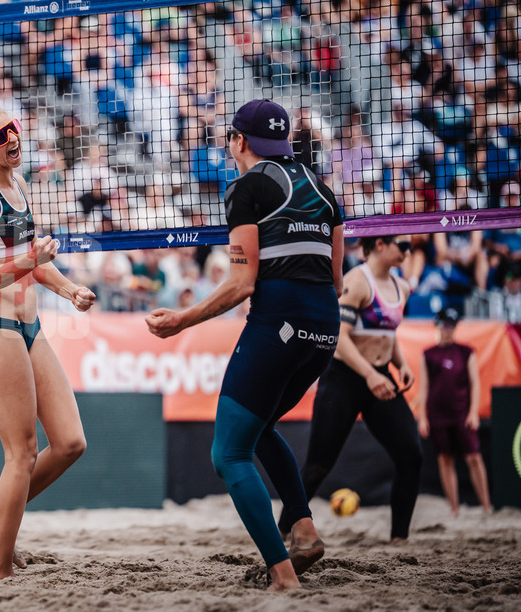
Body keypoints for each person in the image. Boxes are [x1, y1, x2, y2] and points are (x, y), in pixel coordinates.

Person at [147, 99, 344, 591]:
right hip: (325, 328)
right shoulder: (323, 188)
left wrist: (182, 320)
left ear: (239, 141)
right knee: (261, 426)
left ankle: (282, 577)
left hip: (279, 321)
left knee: (228, 454)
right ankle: (303, 528)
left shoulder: (247, 185)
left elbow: (241, 283)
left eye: (230, 140)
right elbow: (336, 280)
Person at [0, 105, 96, 580]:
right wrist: (30, 257)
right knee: (22, 454)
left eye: (14, 129)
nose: (13, 139)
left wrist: (69, 288)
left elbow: (30, 261)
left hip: (30, 327)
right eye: (1, 137)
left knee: (71, 442)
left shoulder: (19, 184)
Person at [278, 235, 422, 543]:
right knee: (318, 465)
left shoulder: (401, 285)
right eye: (403, 244)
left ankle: (399, 538)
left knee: (411, 455)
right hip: (344, 378)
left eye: (410, 245)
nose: (408, 251)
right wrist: (371, 375)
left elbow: (388, 332)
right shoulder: (357, 281)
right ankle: (282, 530)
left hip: (380, 376)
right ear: (380, 244)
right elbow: (339, 339)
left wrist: (401, 364)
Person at [416, 307, 493, 516]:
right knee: (445, 459)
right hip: (438, 415)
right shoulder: (428, 354)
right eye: (445, 324)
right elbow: (424, 387)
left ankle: (486, 506)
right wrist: (423, 417)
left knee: (474, 458)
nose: (448, 329)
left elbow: (475, 384)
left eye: (452, 325)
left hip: (461, 413)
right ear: (438, 325)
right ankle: (454, 509)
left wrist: (473, 412)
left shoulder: (465, 351)